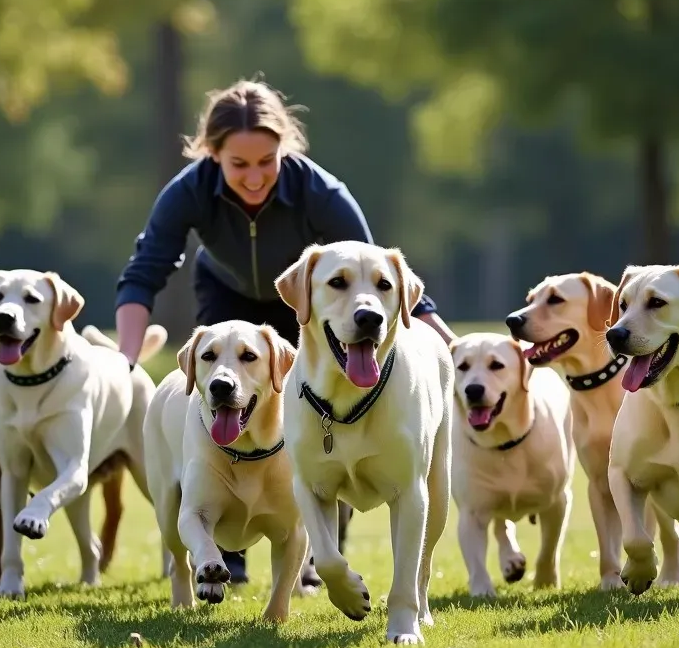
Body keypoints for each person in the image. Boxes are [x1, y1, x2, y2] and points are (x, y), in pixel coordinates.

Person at [114, 78, 457, 588]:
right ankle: (227, 557)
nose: (254, 177)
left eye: (266, 161)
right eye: (238, 165)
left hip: (304, 306)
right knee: (227, 410)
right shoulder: (189, 191)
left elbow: (372, 272)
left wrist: (445, 341)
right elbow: (144, 273)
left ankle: (319, 559)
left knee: (324, 426)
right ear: (212, 155)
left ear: (285, 149)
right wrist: (125, 362)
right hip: (226, 295)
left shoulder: (319, 191)